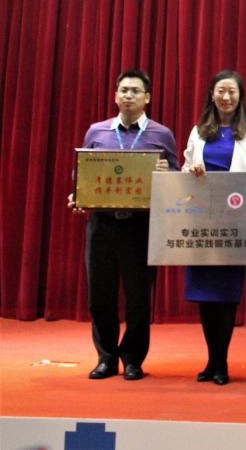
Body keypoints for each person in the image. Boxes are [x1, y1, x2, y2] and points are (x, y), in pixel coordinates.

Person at [69, 69, 177, 381]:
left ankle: (132, 359)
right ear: (116, 96)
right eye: (124, 90)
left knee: (138, 297)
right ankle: (106, 358)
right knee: (100, 295)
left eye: (135, 91)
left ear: (148, 98)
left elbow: (177, 175)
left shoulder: (162, 134)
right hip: (102, 225)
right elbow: (81, 173)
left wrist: (167, 173)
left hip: (141, 227)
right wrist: (78, 194)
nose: (129, 95)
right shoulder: (97, 131)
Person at [181, 70, 246, 386]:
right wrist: (191, 170)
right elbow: (185, 168)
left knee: (226, 293)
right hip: (201, 220)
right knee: (205, 293)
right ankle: (211, 359)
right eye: (221, 91)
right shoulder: (199, 131)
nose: (226, 97)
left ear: (240, 97)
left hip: (233, 220)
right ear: (212, 95)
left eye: (232, 92)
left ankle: (222, 362)